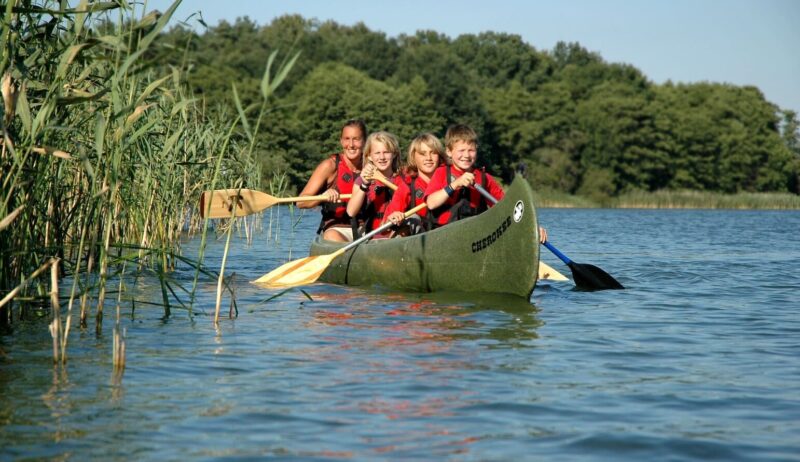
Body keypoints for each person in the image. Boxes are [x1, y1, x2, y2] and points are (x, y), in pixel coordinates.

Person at [425, 124, 548, 242]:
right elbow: (431, 203)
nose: (466, 155)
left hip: (475, 238)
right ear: (449, 152)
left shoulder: (485, 178)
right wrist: (455, 184)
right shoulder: (441, 173)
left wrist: (532, 225)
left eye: (471, 150)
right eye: (461, 150)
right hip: (444, 237)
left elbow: (508, 207)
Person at [297, 119, 367, 242]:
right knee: (331, 236)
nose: (351, 144)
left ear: (364, 141)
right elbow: (301, 202)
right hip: (336, 229)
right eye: (347, 139)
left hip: (367, 228)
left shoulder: (372, 166)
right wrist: (322, 197)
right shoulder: (330, 166)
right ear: (341, 141)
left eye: (356, 139)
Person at [346, 131, 407, 239]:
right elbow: (351, 212)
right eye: (377, 153)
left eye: (386, 152)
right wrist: (365, 184)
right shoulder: (362, 180)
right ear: (369, 156)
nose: (382, 157)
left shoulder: (404, 178)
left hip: (397, 230)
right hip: (372, 234)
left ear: (394, 154)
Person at [383, 133, 445, 232]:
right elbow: (385, 226)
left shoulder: (450, 183)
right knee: (414, 218)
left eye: (433, 153)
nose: (429, 158)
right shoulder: (406, 187)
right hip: (419, 237)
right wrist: (394, 217)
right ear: (413, 157)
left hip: (449, 234)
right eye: (422, 154)